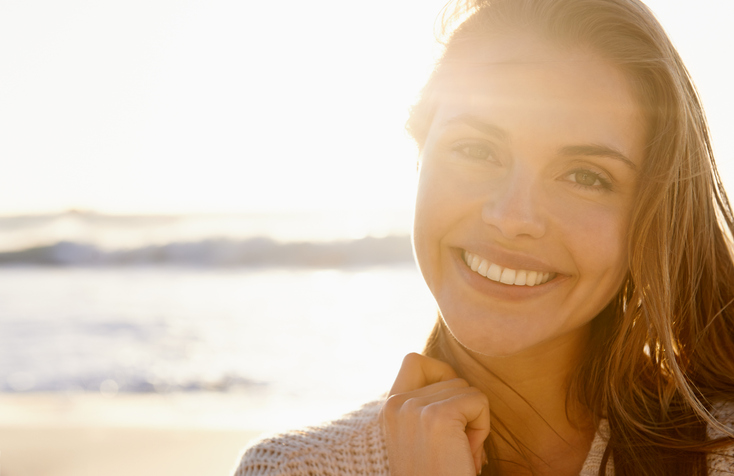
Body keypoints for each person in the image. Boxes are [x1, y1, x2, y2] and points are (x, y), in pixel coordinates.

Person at [231, 0, 734, 474]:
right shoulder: (294, 468)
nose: (512, 216)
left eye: (585, 176)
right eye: (476, 149)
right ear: (420, 154)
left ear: (652, 213)